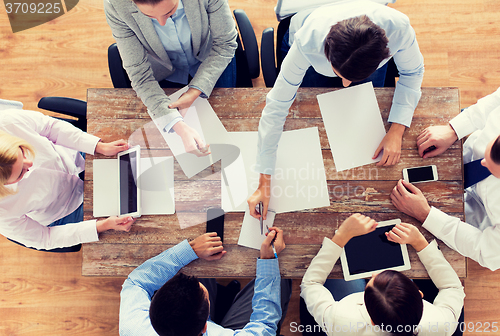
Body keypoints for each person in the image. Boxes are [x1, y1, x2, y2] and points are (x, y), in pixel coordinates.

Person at [248, 0, 424, 219]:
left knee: (364, 105)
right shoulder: (308, 41)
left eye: (352, 78)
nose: (345, 85)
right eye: (341, 75)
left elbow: (413, 73)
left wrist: (397, 130)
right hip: (310, 43)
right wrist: (264, 181)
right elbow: (277, 106)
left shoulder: (399, 28)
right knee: (311, 109)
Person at [104, 0, 238, 156]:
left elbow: (225, 44)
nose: (161, 23)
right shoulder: (116, 5)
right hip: (164, 69)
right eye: (148, 16)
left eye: (170, 12)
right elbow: (140, 76)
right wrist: (179, 127)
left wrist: (194, 91)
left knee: (227, 122)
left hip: (211, 58)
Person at [391, 87, 500, 270]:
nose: (483, 163)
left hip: (477, 217)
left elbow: (487, 252)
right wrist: (454, 130)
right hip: (462, 152)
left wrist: (426, 214)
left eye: (495, 171)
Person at [301, 213, 465, 336]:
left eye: (369, 284)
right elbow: (453, 288)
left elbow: (310, 285)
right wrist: (420, 243)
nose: (375, 273)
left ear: (372, 321)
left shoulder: (341, 319)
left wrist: (341, 236)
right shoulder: (441, 324)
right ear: (419, 293)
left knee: (344, 280)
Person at [0, 105, 135, 250]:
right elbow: (46, 238)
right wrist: (103, 225)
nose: (31, 163)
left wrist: (97, 146)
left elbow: (50, 127)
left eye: (22, 151)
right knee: (135, 215)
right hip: (65, 210)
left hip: (74, 158)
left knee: (136, 166)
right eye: (21, 173)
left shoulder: (7, 123)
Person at [119, 228, 291, 336]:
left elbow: (136, 283)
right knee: (281, 281)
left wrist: (191, 250)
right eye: (205, 296)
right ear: (204, 328)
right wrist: (268, 260)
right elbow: (264, 326)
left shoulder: (134, 328)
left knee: (196, 265)